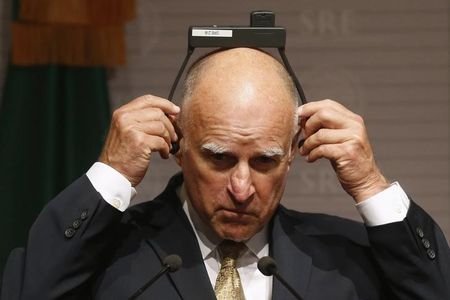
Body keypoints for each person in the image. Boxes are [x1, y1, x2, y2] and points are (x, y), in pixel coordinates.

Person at [2, 48, 449, 300]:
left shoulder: (347, 261)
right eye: (219, 158)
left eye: (264, 161)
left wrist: (371, 185)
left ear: (293, 154)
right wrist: (112, 173)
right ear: (177, 148)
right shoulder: (110, 253)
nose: (241, 188)